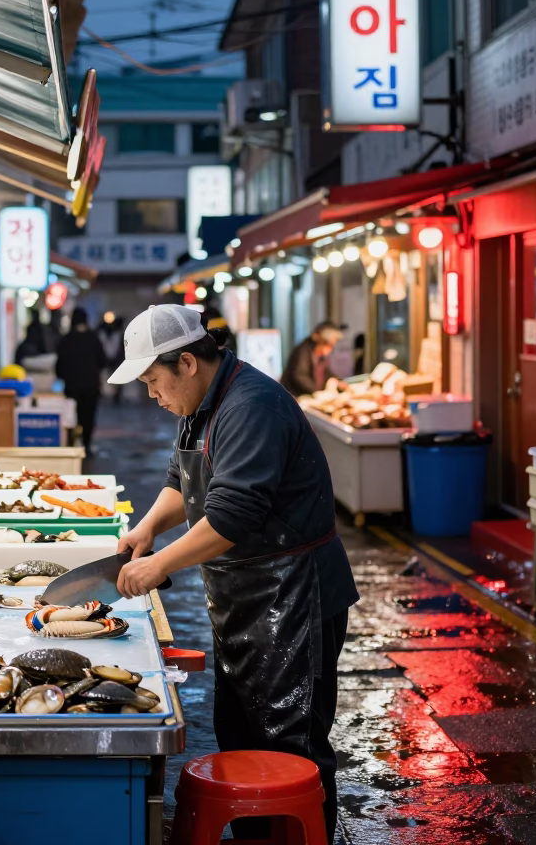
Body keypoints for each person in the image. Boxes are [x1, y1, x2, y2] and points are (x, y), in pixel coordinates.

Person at [110, 304, 358, 839]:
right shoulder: (200, 403)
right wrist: (147, 529)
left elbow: (231, 516)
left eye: (154, 381)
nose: (152, 395)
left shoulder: (251, 406)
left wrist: (158, 566)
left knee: (292, 741)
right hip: (244, 595)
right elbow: (183, 479)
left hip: (293, 593)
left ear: (187, 363)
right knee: (244, 733)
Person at [55, 306, 107, 453]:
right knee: (88, 416)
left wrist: (64, 376)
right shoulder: (93, 338)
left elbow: (59, 365)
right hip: (91, 386)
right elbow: (102, 361)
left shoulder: (66, 339)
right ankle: (86, 445)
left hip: (71, 387)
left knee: (70, 416)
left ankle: (71, 444)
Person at [280, 321, 346, 397]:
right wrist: (316, 392)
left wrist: (338, 381)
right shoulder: (302, 351)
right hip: (296, 396)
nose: (329, 350)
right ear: (319, 339)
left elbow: (326, 372)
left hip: (311, 395)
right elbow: (299, 376)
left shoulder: (320, 354)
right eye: (327, 345)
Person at [98, 314, 125, 403]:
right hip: (105, 357)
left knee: (118, 379)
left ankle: (116, 396)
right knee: (103, 377)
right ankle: (104, 394)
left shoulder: (119, 333)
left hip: (116, 358)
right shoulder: (101, 333)